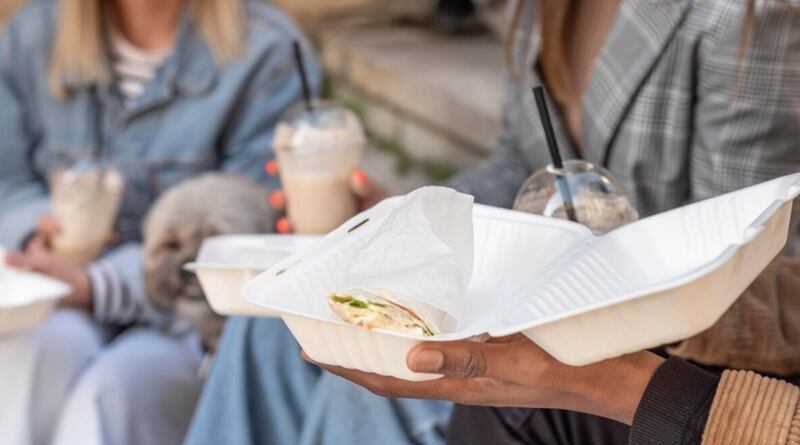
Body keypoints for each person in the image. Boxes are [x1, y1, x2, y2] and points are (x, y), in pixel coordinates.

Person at [192, 0, 800, 443]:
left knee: (370, 391)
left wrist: (569, 305)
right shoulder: (540, 9)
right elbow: (519, 161)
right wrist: (404, 228)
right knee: (272, 329)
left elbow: (746, 256)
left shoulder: (746, 18)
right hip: (518, 296)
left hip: (643, 348)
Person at [0, 0, 316, 444]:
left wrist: (101, 284)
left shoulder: (267, 50)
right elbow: (7, 177)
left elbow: (250, 229)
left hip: (189, 320)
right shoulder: (34, 34)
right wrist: (37, 235)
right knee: (32, 358)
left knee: (113, 396)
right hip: (61, 291)